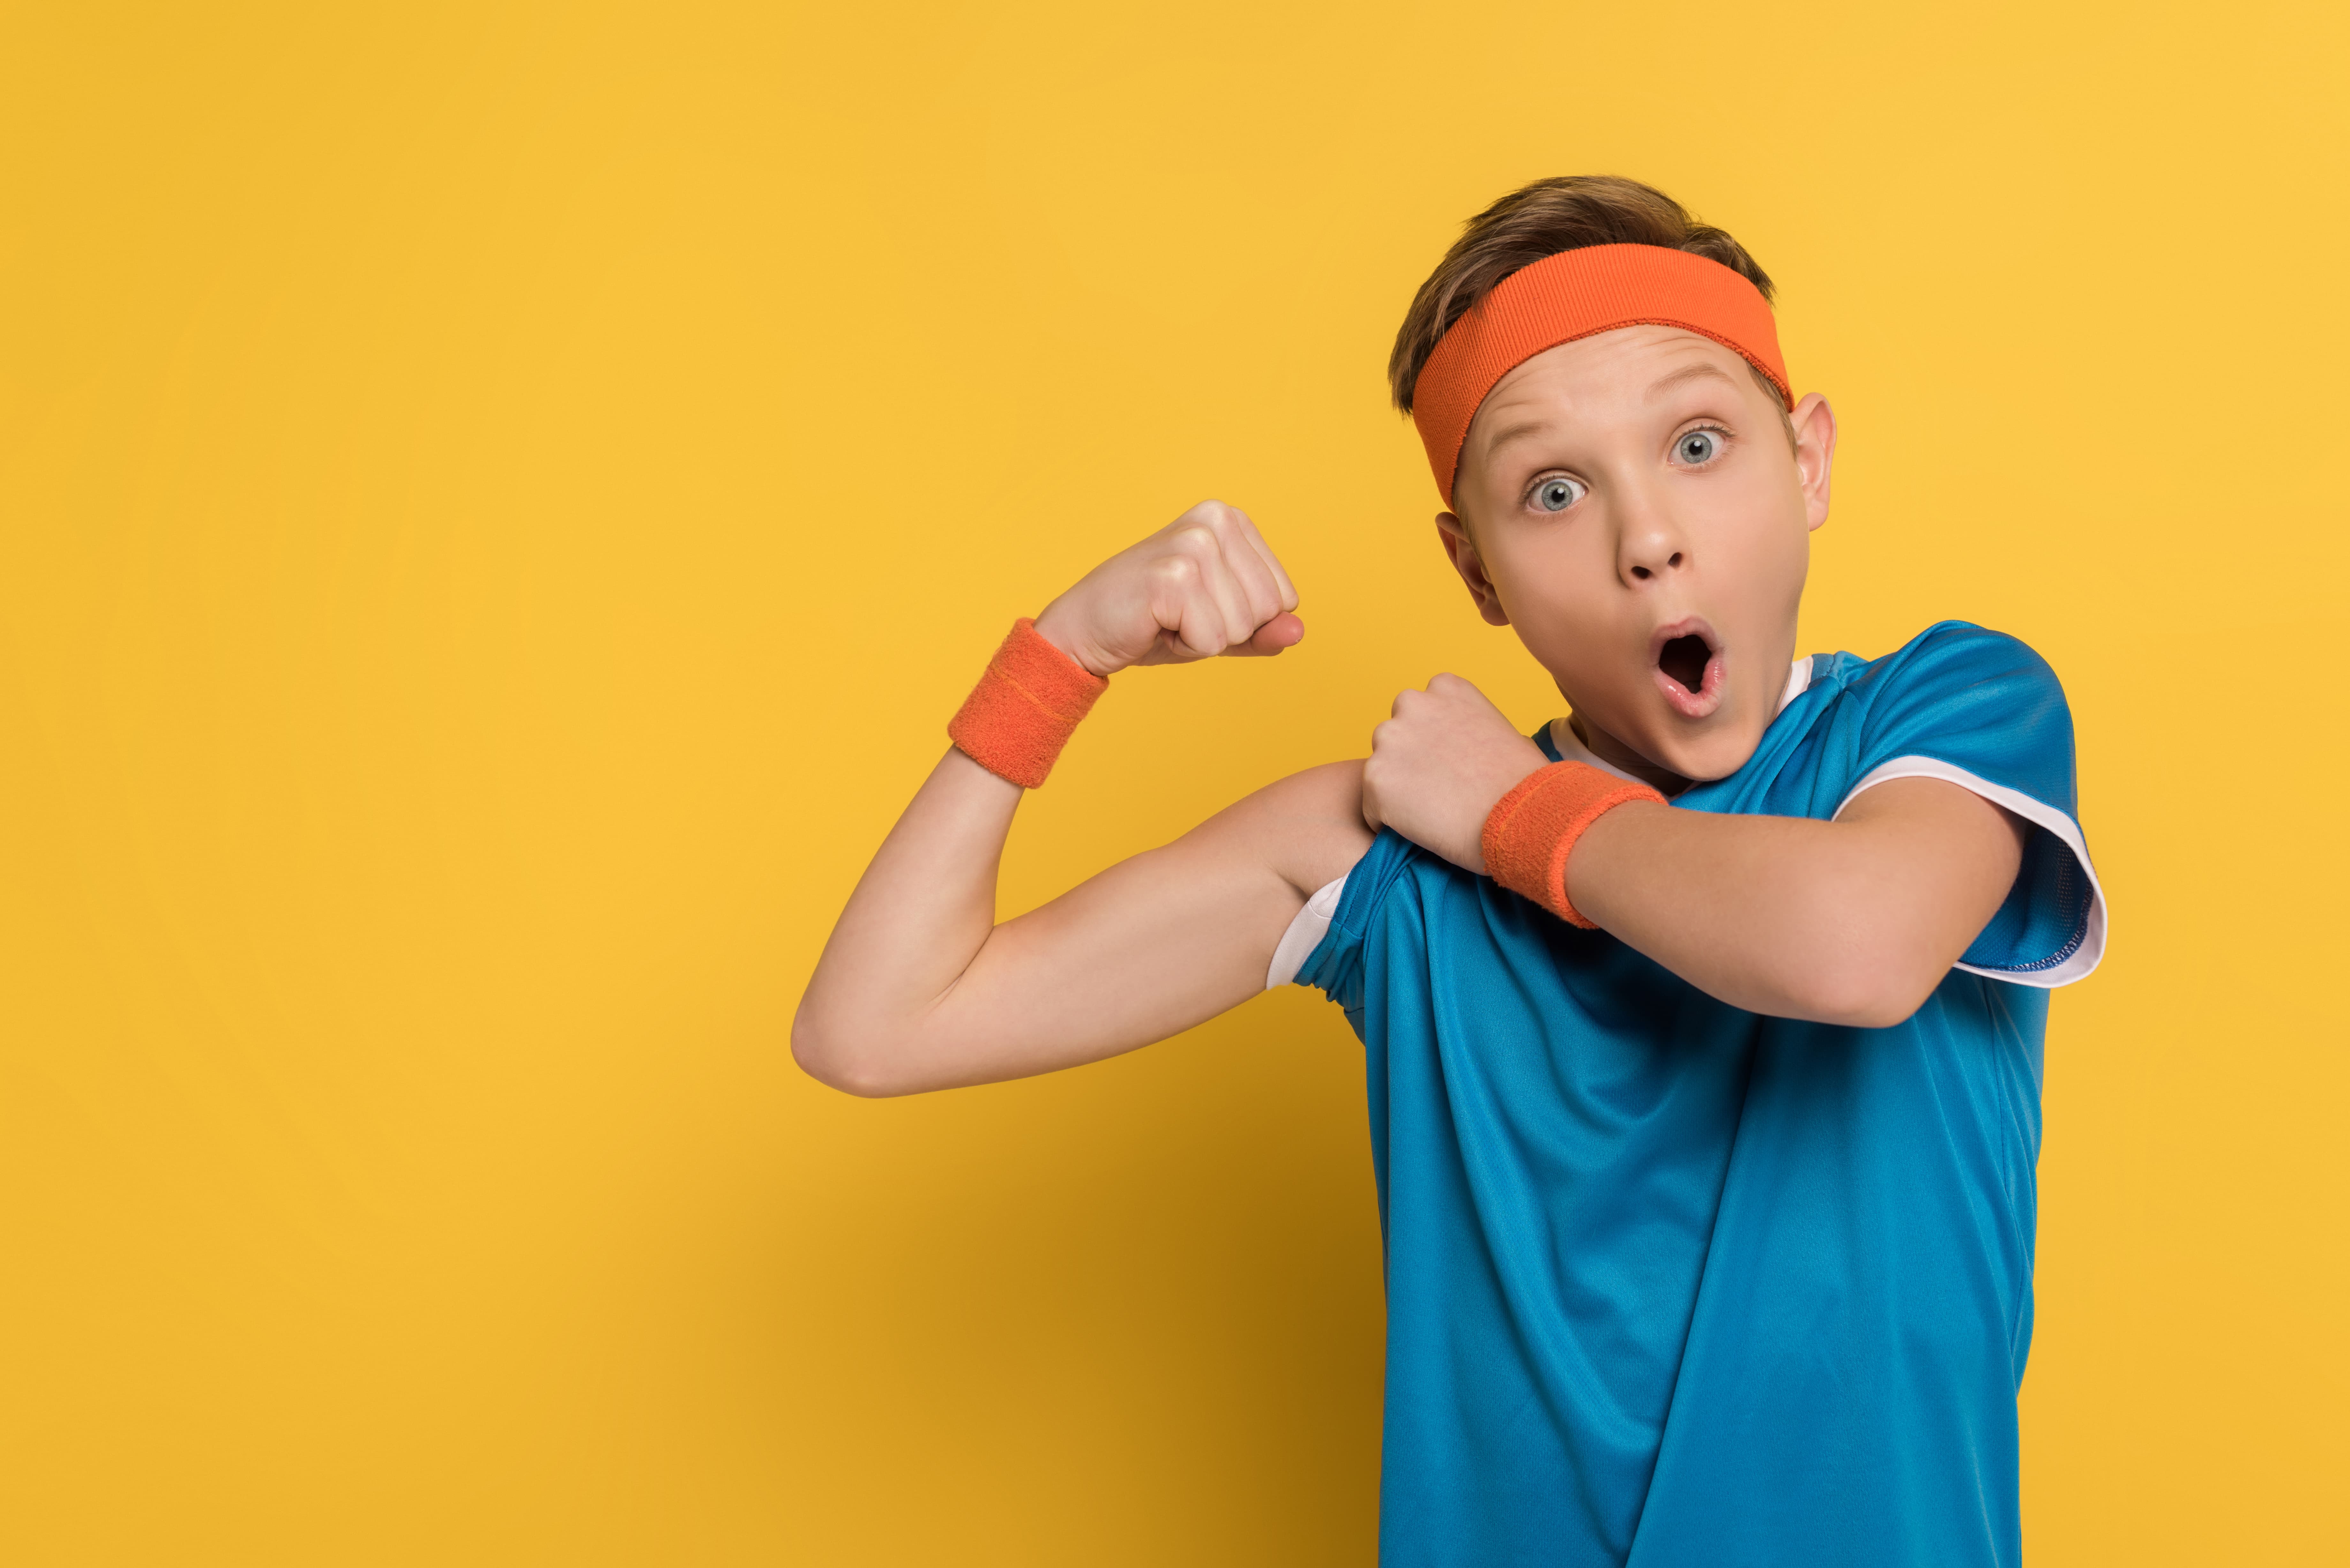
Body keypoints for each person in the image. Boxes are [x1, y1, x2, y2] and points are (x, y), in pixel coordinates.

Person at [793, 175, 2104, 1567]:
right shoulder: (1383, 851)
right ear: (1474, 570)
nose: (1646, 534)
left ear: (1811, 462)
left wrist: (1512, 815)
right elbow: (875, 1023)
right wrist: (1069, 651)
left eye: (1701, 443)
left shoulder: (1942, 719)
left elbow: (1853, 950)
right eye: (1553, 489)